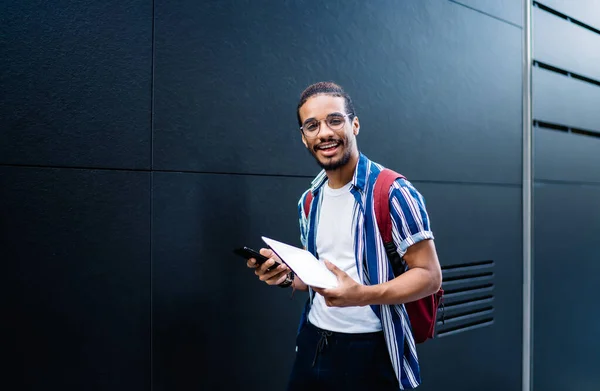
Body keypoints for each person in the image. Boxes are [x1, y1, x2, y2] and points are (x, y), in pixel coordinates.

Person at [246, 81, 442, 390]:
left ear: (355, 124)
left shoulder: (392, 192)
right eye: (312, 125)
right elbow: (320, 277)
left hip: (371, 351)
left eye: (334, 120)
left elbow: (430, 276)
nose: (324, 132)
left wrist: (363, 295)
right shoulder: (309, 200)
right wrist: (285, 275)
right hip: (313, 344)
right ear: (304, 138)